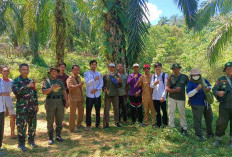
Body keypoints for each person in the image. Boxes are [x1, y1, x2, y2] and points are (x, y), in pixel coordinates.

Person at [12, 63, 38, 151]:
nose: (25, 71)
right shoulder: (16, 81)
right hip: (22, 108)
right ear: (20, 70)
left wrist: (36, 104)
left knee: (32, 125)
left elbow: (34, 93)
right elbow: (16, 92)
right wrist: (26, 86)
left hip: (31, 107)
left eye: (27, 69)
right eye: (23, 69)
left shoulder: (31, 81)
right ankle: (21, 144)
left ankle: (31, 141)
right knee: (21, 125)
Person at [42, 67, 69, 145]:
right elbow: (44, 92)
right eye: (52, 71)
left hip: (59, 101)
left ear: (57, 73)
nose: (54, 73)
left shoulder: (59, 81)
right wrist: (51, 88)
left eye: (55, 72)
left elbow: (64, 91)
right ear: (50, 73)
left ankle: (58, 135)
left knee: (59, 118)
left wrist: (66, 101)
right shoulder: (46, 81)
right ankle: (50, 136)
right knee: (50, 119)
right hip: (50, 101)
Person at [186, 68, 214, 141]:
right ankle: (199, 135)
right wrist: (196, 89)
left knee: (209, 118)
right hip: (196, 104)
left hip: (206, 102)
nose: (195, 76)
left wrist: (208, 88)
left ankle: (210, 133)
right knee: (198, 120)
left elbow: (210, 86)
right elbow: (189, 94)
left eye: (197, 74)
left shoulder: (203, 79)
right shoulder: (190, 83)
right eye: (194, 75)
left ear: (199, 75)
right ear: (191, 76)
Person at [212, 62, 232, 148]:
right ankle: (218, 139)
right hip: (224, 106)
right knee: (221, 123)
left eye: (231, 68)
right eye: (228, 68)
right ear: (225, 70)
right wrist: (218, 92)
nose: (230, 69)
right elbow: (214, 90)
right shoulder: (221, 80)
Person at [166, 63, 189, 136]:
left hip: (181, 98)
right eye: (174, 69)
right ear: (172, 70)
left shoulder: (184, 77)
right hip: (172, 98)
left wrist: (190, 98)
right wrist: (174, 90)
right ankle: (171, 127)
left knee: (182, 113)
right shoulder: (170, 77)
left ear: (179, 69)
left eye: (177, 69)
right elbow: (167, 88)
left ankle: (184, 128)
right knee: (171, 112)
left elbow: (188, 88)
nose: (175, 70)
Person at [84, 60, 103, 130]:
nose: (94, 66)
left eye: (95, 65)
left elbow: (101, 83)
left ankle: (97, 124)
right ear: (90, 65)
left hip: (97, 94)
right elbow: (87, 83)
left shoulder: (99, 73)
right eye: (92, 64)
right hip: (90, 95)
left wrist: (96, 89)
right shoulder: (86, 73)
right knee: (88, 110)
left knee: (98, 110)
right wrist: (94, 79)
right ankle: (88, 125)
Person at [103, 63, 121, 128]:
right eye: (111, 67)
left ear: (114, 68)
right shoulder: (105, 76)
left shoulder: (117, 75)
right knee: (106, 109)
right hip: (108, 95)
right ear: (108, 67)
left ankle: (116, 122)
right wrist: (104, 89)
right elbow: (103, 85)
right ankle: (106, 123)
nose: (112, 68)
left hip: (115, 95)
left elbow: (119, 85)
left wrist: (119, 81)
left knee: (116, 109)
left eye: (113, 67)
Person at [67, 65, 84, 133]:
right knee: (73, 114)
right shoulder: (70, 78)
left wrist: (82, 96)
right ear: (72, 70)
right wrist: (79, 85)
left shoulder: (79, 78)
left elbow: (80, 88)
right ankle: (72, 128)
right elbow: (70, 87)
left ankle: (79, 124)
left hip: (79, 97)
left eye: (78, 70)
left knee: (81, 112)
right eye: (75, 69)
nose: (77, 71)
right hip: (73, 98)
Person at [150, 62, 168, 128]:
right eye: (156, 67)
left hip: (162, 97)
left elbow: (166, 87)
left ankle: (165, 124)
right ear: (155, 68)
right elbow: (151, 86)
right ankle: (158, 124)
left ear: (161, 67)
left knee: (164, 111)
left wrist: (163, 96)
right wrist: (154, 83)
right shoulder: (153, 76)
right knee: (157, 111)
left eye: (159, 67)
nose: (157, 68)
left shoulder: (164, 75)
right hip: (155, 97)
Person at [1, 66, 17, 139]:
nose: (6, 73)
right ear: (1, 72)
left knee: (13, 116)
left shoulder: (11, 81)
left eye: (7, 71)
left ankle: (12, 133)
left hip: (8, 100)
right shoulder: (0, 81)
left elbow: (14, 91)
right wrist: (3, 94)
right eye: (4, 71)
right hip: (0, 101)